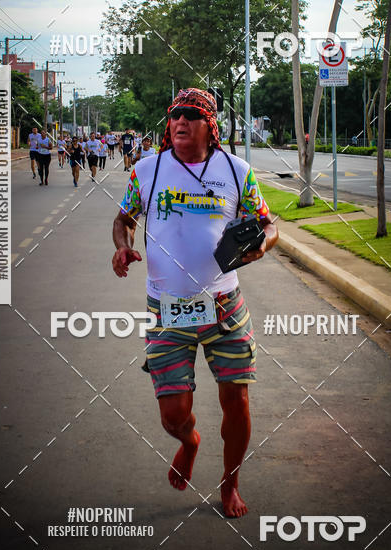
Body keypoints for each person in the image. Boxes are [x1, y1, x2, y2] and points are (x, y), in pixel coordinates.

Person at [112, 87, 277, 518]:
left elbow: (267, 224)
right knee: (173, 415)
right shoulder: (146, 171)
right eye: (174, 116)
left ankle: (230, 484)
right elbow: (124, 219)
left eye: (191, 116)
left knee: (236, 400)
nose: (180, 122)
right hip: (167, 309)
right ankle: (189, 443)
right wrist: (122, 245)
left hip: (225, 305)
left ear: (210, 126)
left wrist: (262, 246)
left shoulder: (237, 171)